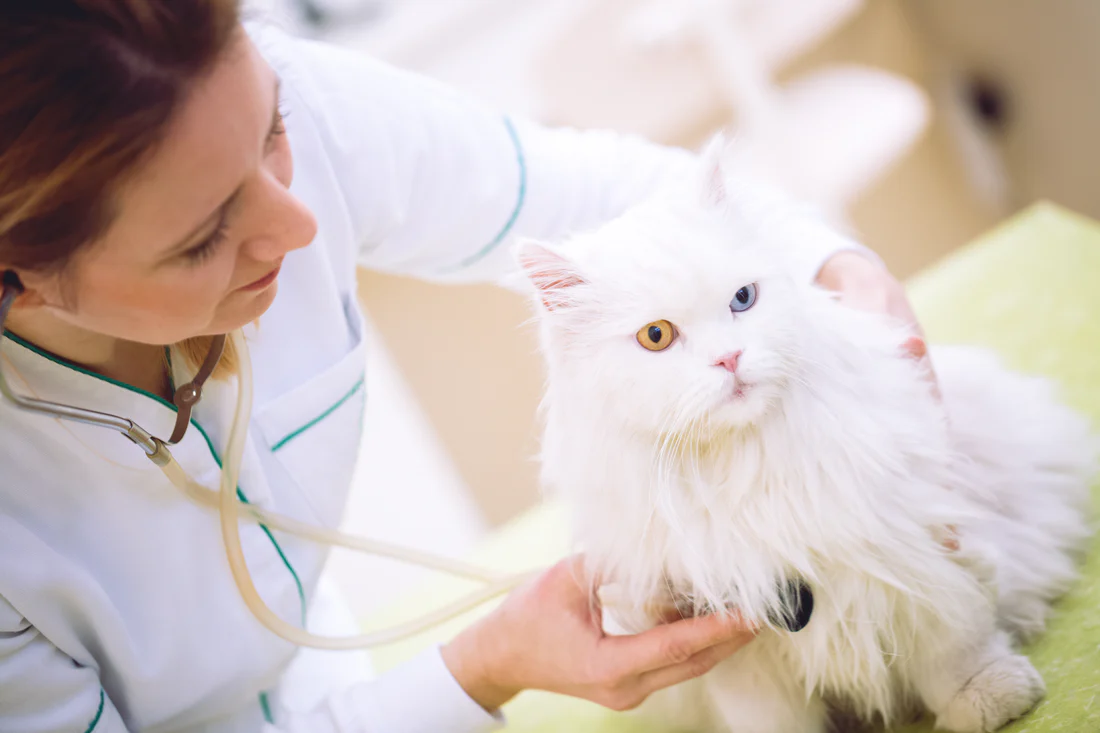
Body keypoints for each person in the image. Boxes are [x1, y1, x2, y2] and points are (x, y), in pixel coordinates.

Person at [0, 2, 933, 731]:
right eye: (204, 238)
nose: (301, 224)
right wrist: (484, 663)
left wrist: (829, 264)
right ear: (21, 284)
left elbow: (603, 196)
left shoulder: (274, 94)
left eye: (274, 131)